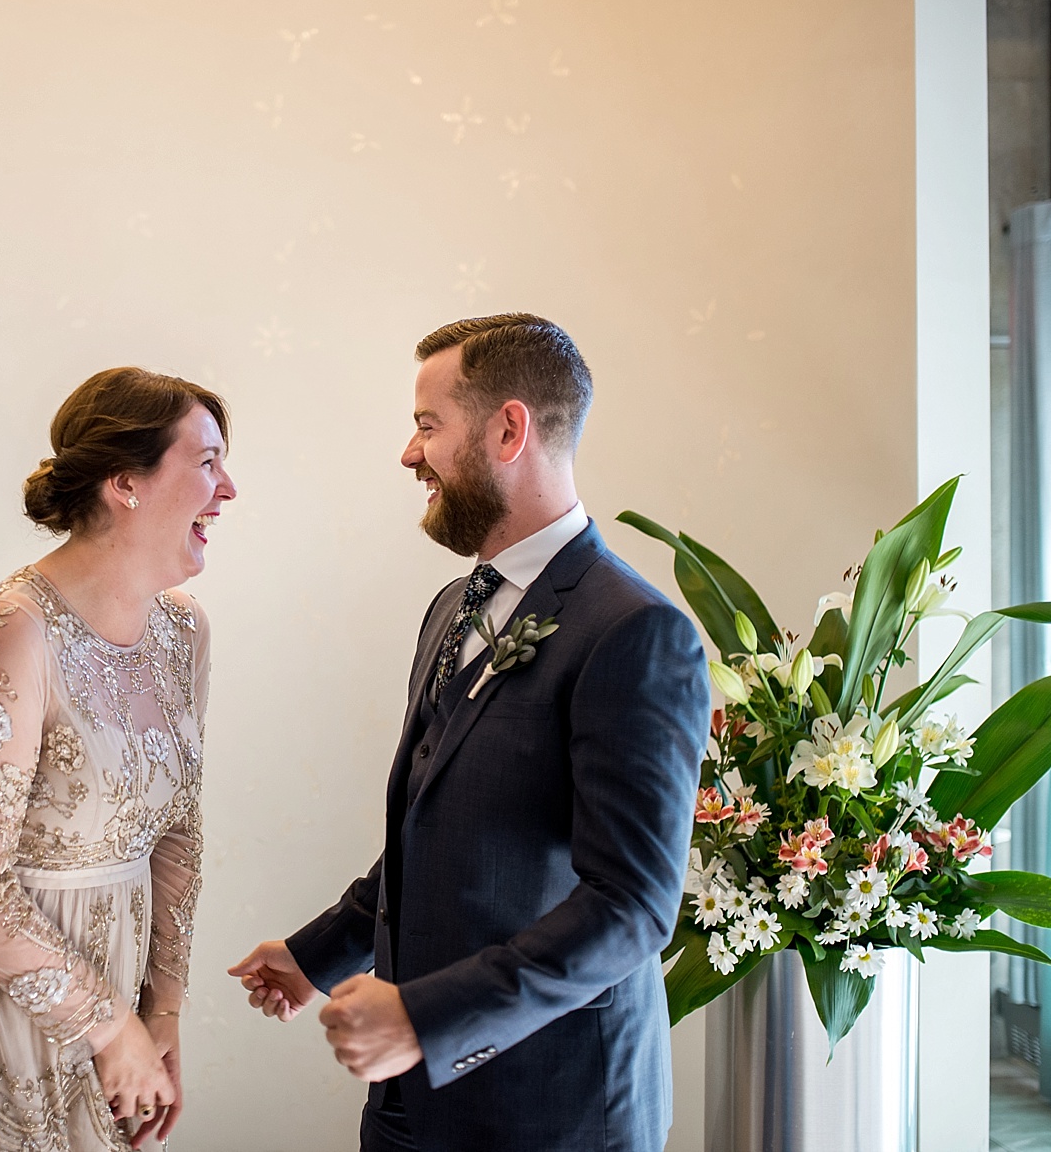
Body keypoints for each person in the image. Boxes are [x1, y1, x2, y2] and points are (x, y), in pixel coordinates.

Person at [229, 314, 709, 1152]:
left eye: (426, 426)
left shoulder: (632, 630)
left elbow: (630, 906)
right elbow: (440, 828)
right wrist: (320, 955)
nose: (408, 454)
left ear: (508, 429)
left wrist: (425, 1016)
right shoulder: (452, 607)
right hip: (411, 1103)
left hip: (554, 1109)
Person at [0, 367, 236, 1151]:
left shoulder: (184, 633)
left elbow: (177, 833)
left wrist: (160, 1009)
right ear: (126, 483)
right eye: (206, 461)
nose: (228, 488)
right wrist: (109, 1028)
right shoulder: (12, 629)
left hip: (119, 978)